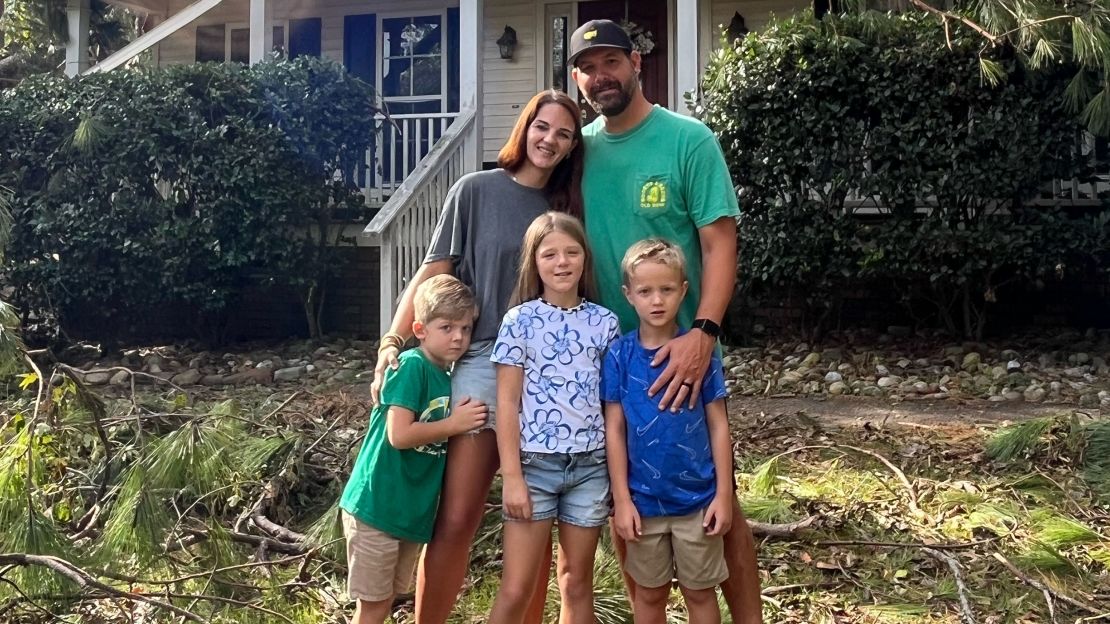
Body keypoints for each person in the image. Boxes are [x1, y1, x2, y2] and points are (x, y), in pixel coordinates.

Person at [568, 19, 764, 624]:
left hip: (684, 350)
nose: (601, 77)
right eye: (588, 68)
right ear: (577, 79)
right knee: (631, 512)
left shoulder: (688, 140)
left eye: (611, 63)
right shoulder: (580, 150)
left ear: (636, 63)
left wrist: (703, 334)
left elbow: (721, 243)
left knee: (715, 499)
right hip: (612, 357)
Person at [369, 90, 585, 624]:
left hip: (551, 371)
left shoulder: (568, 208)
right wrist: (392, 343)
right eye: (542, 126)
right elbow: (433, 275)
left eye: (564, 133)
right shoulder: (476, 190)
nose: (550, 140)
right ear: (524, 127)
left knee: (533, 515)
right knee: (459, 516)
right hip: (484, 362)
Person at [487, 211, 620, 624]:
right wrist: (511, 477)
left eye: (571, 252)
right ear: (534, 261)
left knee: (576, 583)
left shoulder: (605, 322)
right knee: (517, 588)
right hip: (533, 468)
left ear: (585, 258)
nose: (562, 262)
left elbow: (611, 406)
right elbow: (506, 404)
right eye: (550, 254)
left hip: (590, 467)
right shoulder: (519, 321)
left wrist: (618, 475)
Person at [340, 275, 487, 624]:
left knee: (386, 599)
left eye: (466, 329)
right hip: (377, 506)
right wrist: (454, 424)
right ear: (419, 329)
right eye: (446, 327)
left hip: (408, 514)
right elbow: (399, 434)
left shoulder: (447, 376)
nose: (458, 337)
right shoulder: (411, 365)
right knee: (373, 606)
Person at [602, 239, 733, 624]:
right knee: (649, 594)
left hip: (699, 501)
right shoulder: (619, 356)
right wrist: (622, 500)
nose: (656, 300)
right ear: (628, 295)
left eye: (666, 289)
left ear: (684, 290)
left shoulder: (700, 356)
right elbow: (614, 430)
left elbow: (719, 425)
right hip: (643, 504)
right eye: (645, 291)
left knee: (699, 593)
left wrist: (724, 495)